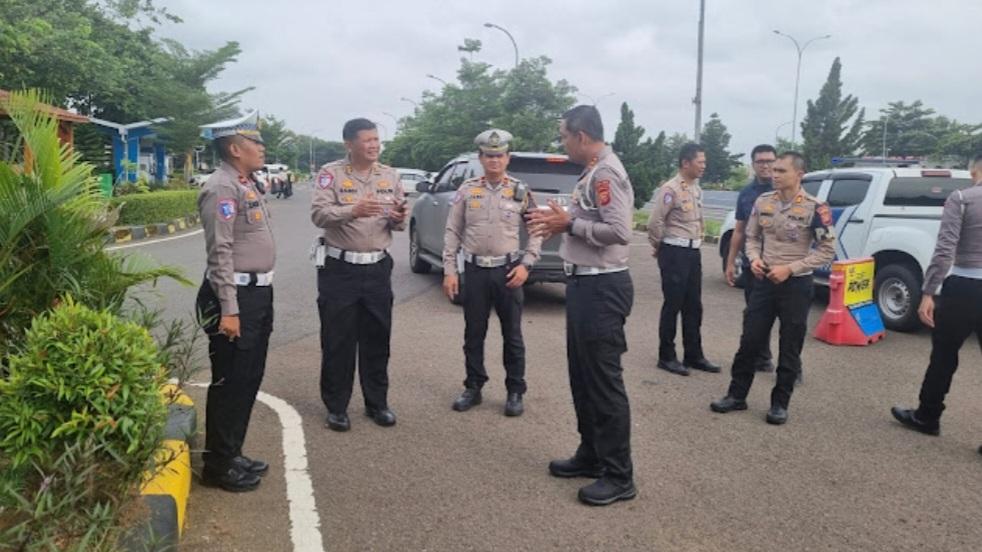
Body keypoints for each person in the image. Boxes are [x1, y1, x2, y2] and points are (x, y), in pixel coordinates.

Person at [527, 105, 636, 506]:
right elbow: (589, 217)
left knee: (604, 382)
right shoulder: (592, 171)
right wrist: (558, 218)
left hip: (603, 287)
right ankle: (592, 454)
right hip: (585, 284)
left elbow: (620, 231)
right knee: (583, 377)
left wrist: (569, 224)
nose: (563, 143)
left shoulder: (606, 173)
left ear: (582, 136)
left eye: (564, 136)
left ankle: (619, 475)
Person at [710, 152, 834, 425]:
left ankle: (780, 403)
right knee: (749, 340)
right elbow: (752, 237)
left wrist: (790, 268)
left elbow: (827, 251)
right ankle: (736, 395)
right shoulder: (763, 201)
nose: (774, 174)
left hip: (796, 284)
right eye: (774, 170)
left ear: (799, 174)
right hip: (764, 281)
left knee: (790, 345)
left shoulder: (816, 207)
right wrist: (754, 258)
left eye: (781, 171)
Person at [195, 111, 275, 492]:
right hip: (234, 297)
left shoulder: (245, 182)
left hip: (256, 294)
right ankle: (217, 465)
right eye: (255, 142)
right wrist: (230, 308)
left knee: (248, 377)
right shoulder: (221, 188)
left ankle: (232, 451)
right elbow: (220, 252)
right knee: (229, 381)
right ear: (234, 148)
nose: (262, 147)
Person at [311, 118, 408, 432]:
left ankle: (377, 403)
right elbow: (319, 215)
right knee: (338, 340)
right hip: (340, 269)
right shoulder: (331, 174)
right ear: (349, 144)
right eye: (367, 140)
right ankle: (337, 407)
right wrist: (353, 210)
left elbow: (398, 222)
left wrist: (398, 217)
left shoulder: (390, 175)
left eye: (376, 140)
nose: (374, 145)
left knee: (377, 338)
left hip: (377, 268)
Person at [443, 129, 543, 416]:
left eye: (499, 156)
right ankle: (473, 387)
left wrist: (526, 264)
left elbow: (536, 229)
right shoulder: (467, 190)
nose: (494, 161)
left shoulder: (520, 190)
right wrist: (450, 270)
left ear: (508, 158)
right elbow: (453, 231)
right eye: (489, 156)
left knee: (512, 335)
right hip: (475, 271)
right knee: (473, 334)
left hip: (508, 272)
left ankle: (515, 390)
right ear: (481, 158)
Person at [891, 154, 982, 447]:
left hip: (964, 287)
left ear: (974, 171)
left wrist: (928, 292)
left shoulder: (962, 199)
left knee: (944, 355)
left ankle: (927, 416)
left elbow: (945, 250)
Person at [647, 143, 721, 377]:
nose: (703, 166)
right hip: (674, 252)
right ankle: (666, 356)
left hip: (692, 251)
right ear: (685, 163)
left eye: (704, 162)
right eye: (700, 162)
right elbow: (655, 222)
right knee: (673, 304)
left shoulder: (696, 189)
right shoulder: (670, 189)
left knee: (693, 306)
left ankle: (694, 354)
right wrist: (660, 247)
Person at [725, 144, 778, 373]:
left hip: (782, 266)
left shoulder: (787, 190)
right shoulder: (746, 194)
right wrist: (730, 262)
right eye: (760, 161)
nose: (765, 165)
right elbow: (739, 230)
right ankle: (761, 358)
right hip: (753, 266)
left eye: (769, 161)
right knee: (755, 315)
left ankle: (792, 367)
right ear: (753, 164)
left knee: (790, 320)